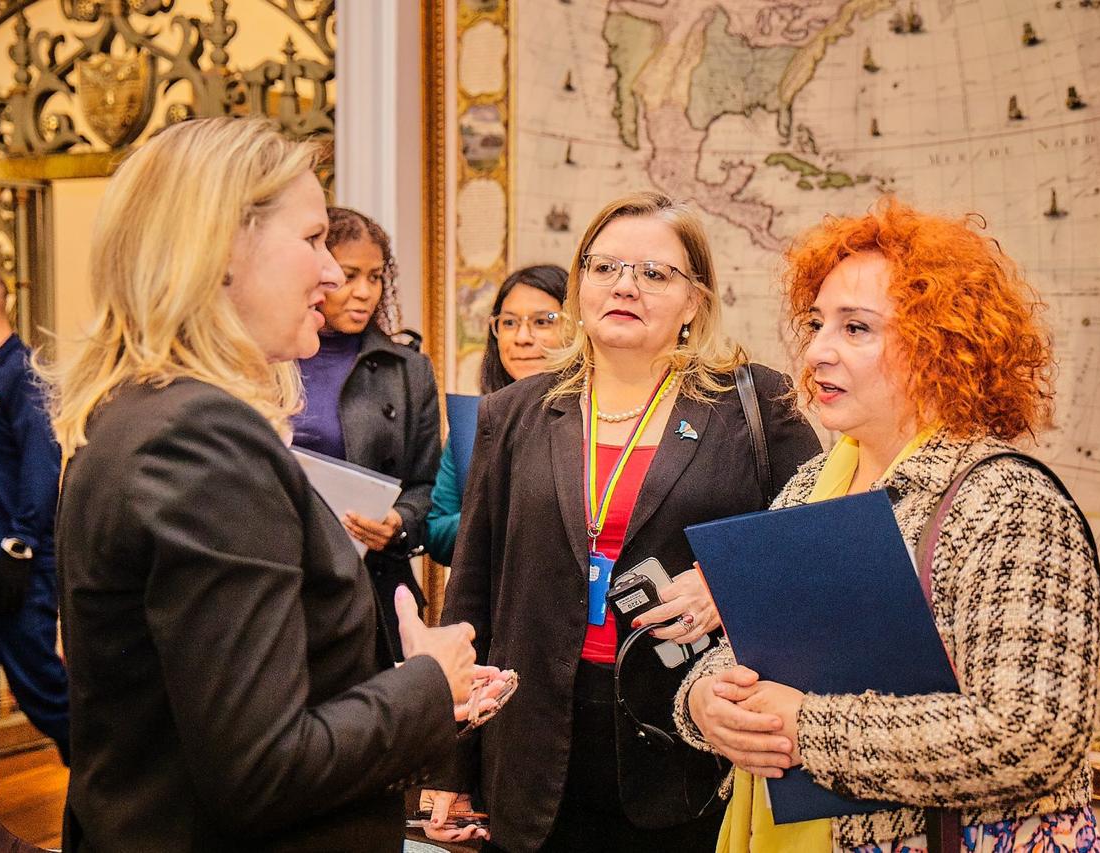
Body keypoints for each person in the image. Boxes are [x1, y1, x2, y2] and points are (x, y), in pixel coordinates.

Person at [43, 117, 495, 852]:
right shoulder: (201, 440)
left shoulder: (133, 409)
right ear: (220, 249)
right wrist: (426, 683)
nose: (331, 273)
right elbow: (263, 769)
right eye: (313, 239)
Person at [676, 199, 1100, 852]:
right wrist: (705, 702)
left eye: (856, 328)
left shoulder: (1009, 502)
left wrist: (807, 727)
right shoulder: (808, 487)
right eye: (817, 323)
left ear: (943, 346)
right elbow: (744, 652)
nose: (817, 351)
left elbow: (1031, 736)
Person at [425, 191, 822, 851]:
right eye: (604, 267)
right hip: (529, 741)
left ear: (694, 300)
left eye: (654, 273)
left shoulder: (755, 406)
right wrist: (453, 759)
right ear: (580, 284)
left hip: (693, 739)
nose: (624, 286)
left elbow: (820, 549)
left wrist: (729, 582)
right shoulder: (515, 412)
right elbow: (473, 591)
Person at [291, 206, 440, 656]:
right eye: (348, 276)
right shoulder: (270, 358)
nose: (364, 292)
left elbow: (428, 485)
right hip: (287, 580)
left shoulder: (408, 369)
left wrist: (398, 523)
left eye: (375, 277)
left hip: (372, 586)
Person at [0, 260, 70, 792]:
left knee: (43, 693)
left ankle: (114, 810)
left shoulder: (25, 376)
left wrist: (19, 547)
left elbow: (41, 467)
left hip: (15, 569)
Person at [425, 264, 568, 566]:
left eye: (543, 322)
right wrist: (499, 511)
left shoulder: (598, 421)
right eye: (509, 323)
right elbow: (436, 533)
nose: (522, 337)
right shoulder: (474, 422)